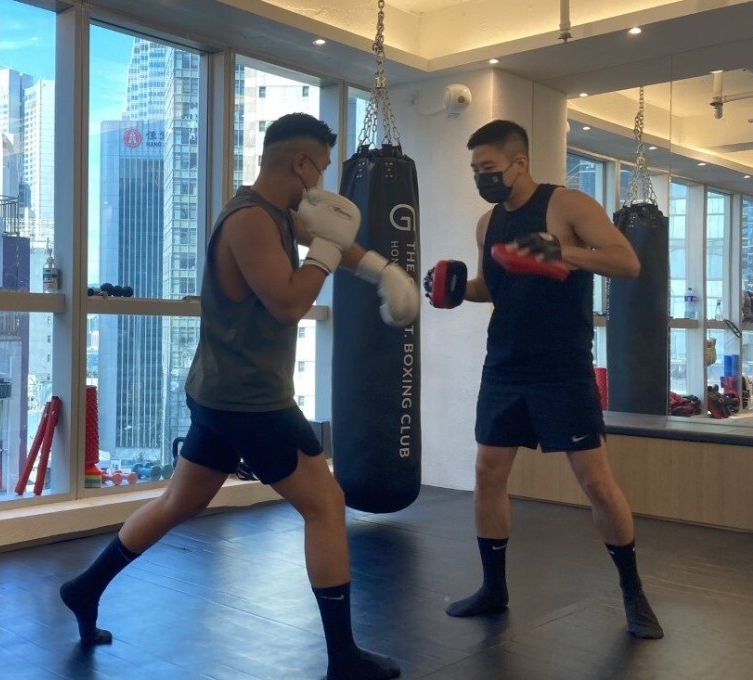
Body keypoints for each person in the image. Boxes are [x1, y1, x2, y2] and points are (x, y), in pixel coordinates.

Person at [60, 112, 418, 679]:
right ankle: (344, 659)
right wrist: (327, 254)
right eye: (320, 169)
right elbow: (287, 302)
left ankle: (84, 588)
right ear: (300, 163)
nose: (322, 183)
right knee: (325, 505)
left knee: (180, 502)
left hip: (219, 393)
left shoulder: (276, 212)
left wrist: (382, 271)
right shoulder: (251, 221)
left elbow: (333, 240)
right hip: (252, 400)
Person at [424, 119, 664, 640]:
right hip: (505, 364)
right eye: (474, 170)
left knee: (596, 482)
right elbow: (499, 283)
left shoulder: (568, 205)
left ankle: (633, 592)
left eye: (488, 168)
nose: (481, 178)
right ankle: (494, 588)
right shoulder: (488, 224)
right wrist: (459, 289)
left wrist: (560, 252)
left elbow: (627, 262)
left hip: (562, 367)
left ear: (519, 163)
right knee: (488, 473)